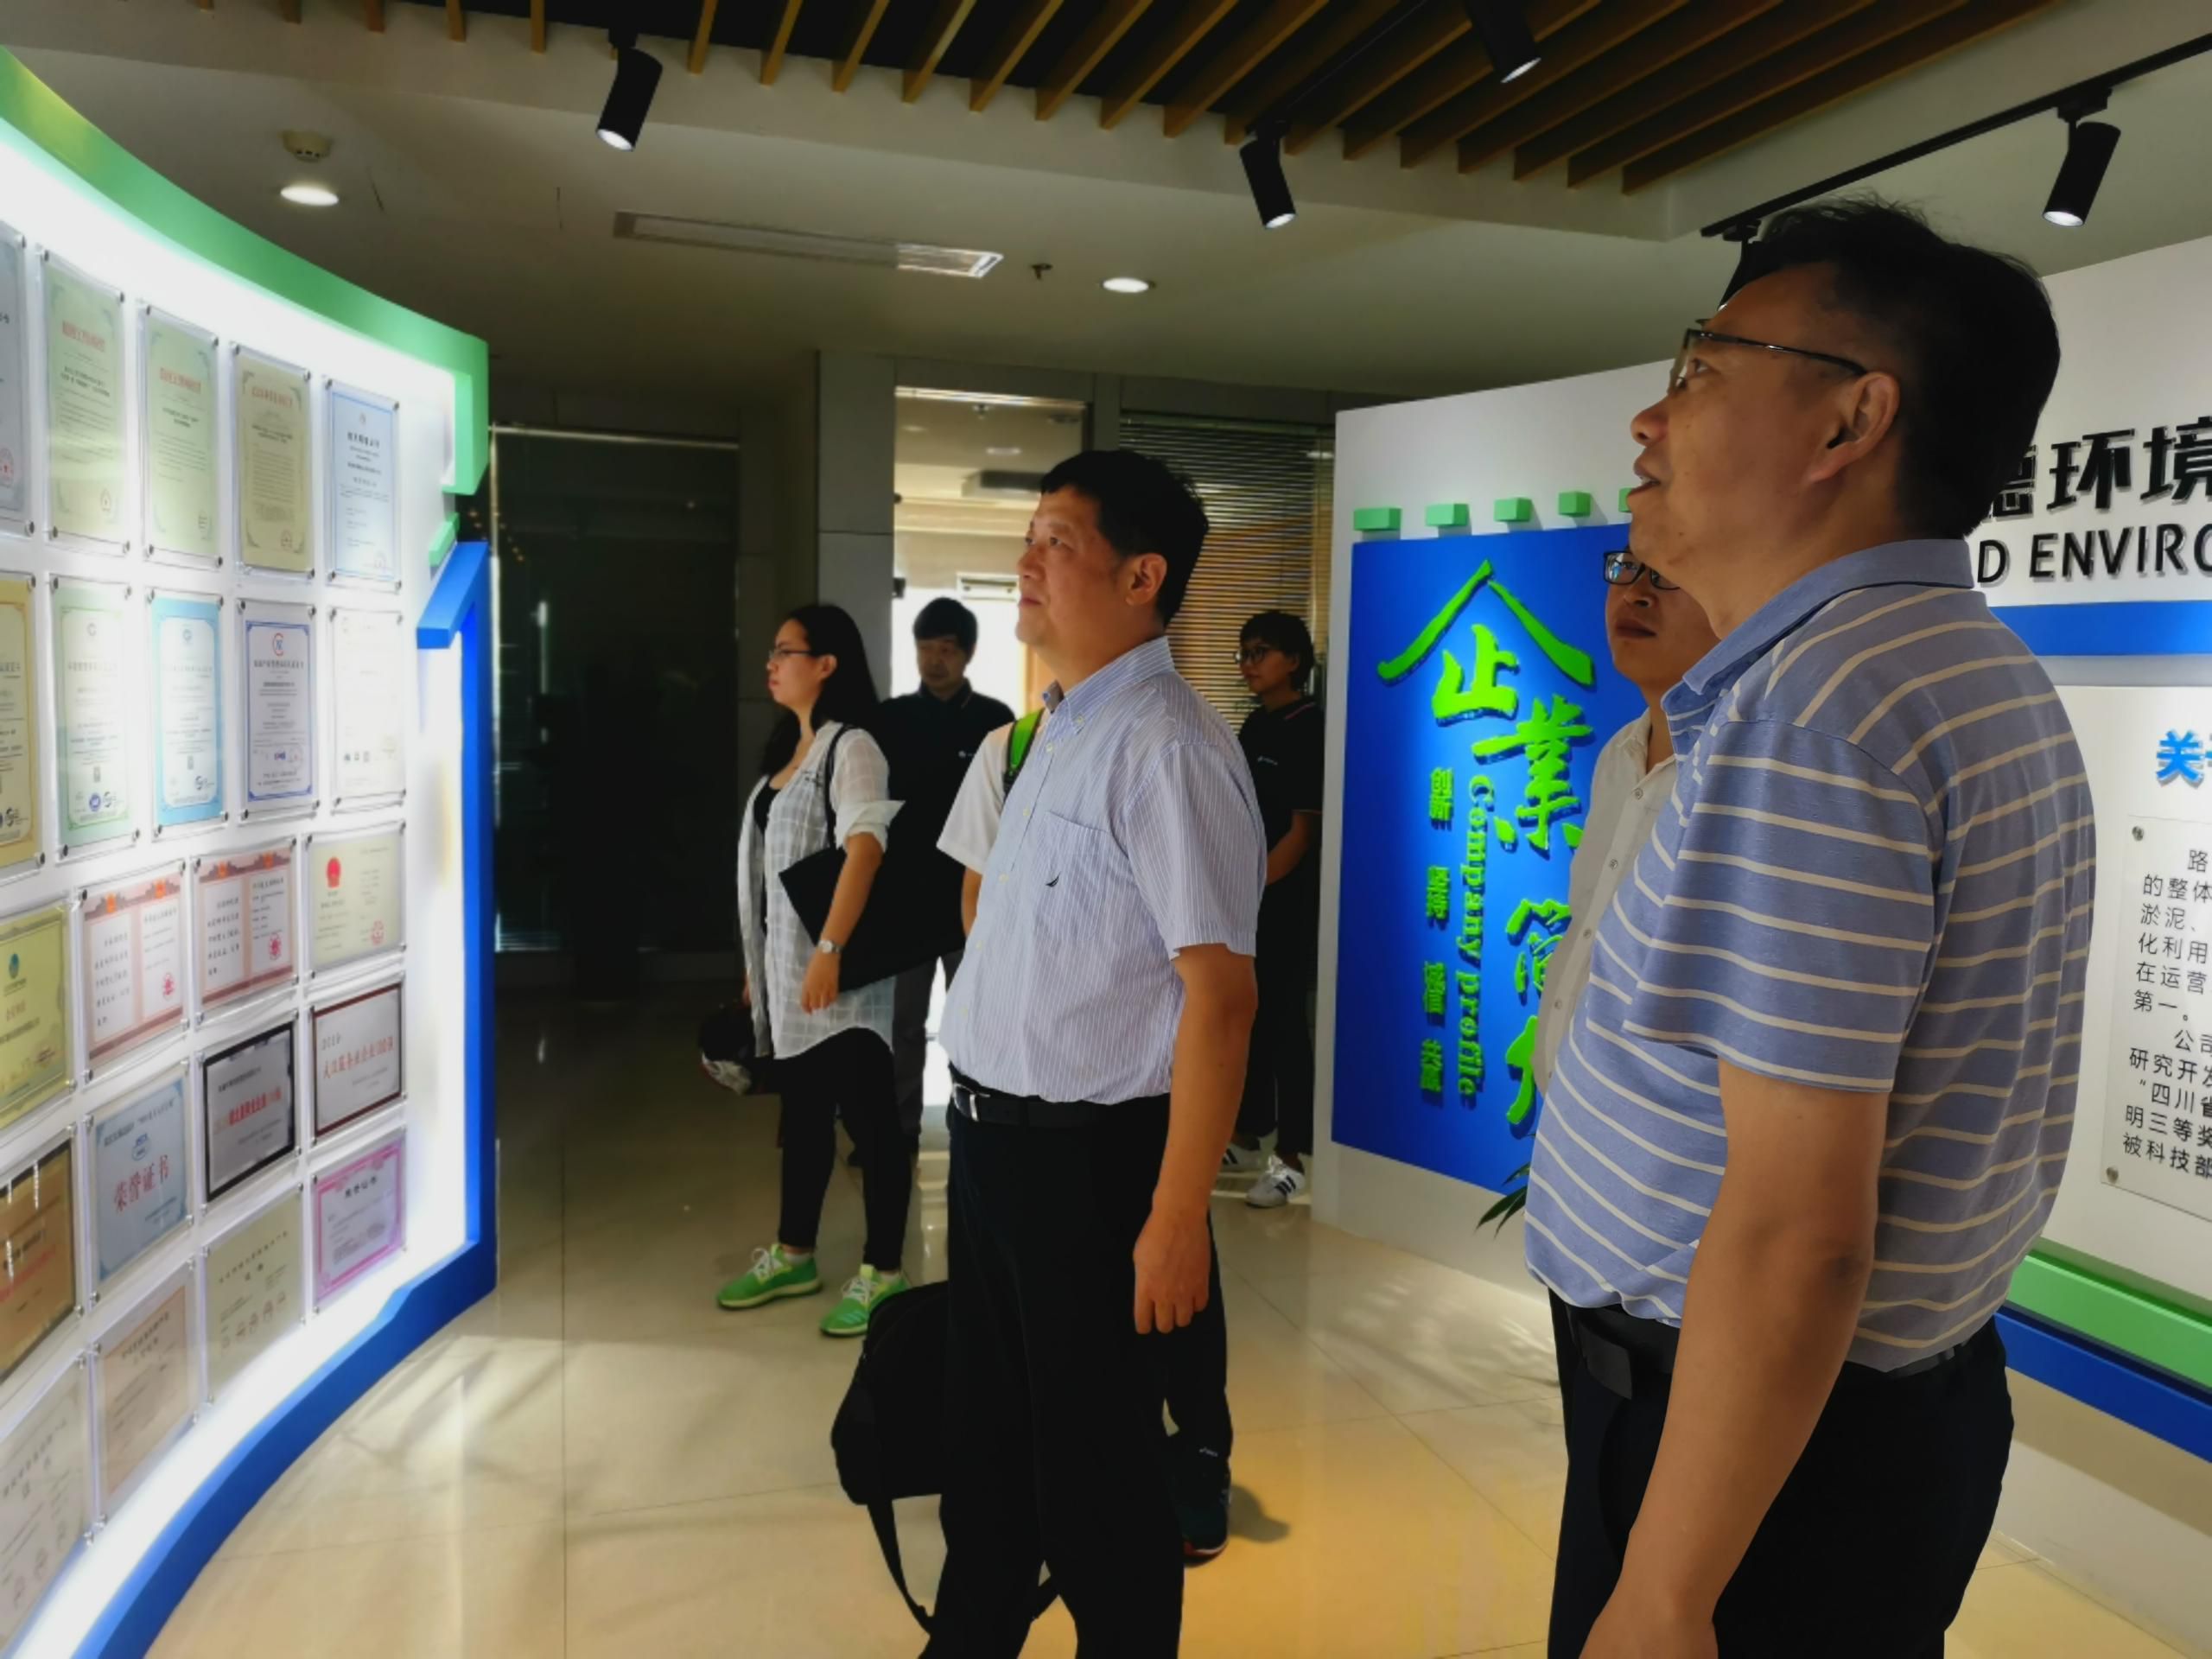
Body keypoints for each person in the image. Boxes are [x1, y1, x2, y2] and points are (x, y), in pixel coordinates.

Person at [1528, 199, 2091, 1659]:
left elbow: (1796, 1230)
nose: (1651, 419)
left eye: (1705, 370)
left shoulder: (1813, 718)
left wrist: (1668, 1593)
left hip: (1760, 1453)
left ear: (1852, 420)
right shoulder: (1956, 664)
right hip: (1851, 1423)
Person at [926, 450, 1264, 1656]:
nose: (1027, 563)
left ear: (1141, 575)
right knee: (988, 1459)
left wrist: (1176, 1221)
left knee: (1099, 1492)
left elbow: (1221, 1001)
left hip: (1090, 1170)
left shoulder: (1168, 748)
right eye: (1029, 539)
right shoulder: (1053, 730)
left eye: (1055, 543)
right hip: (993, 1152)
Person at [940, 693, 1239, 1565]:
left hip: (1123, 1112)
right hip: (1003, 1111)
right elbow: (977, 892)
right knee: (1047, 1343)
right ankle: (1051, 1498)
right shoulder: (1008, 750)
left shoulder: (1168, 748)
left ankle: (1197, 1449)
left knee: (1171, 1296)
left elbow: (1219, 989)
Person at [1527, 547, 1718, 1417]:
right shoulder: (1619, 754)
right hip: (1584, 1204)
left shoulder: (1740, 776)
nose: (1633, 594)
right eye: (1625, 569)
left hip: (1676, 1245)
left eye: (1666, 574)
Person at [719, 604, 914, 1339]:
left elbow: (866, 848)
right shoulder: (789, 751)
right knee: (802, 1120)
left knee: (871, 1125)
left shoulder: (851, 746)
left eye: (785, 651)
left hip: (839, 980)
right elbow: (770, 882)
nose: (771, 664)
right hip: (789, 979)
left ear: (827, 664)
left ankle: (884, 1272)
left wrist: (829, 950)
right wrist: (760, 969)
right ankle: (794, 1253)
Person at [872, 598, 1014, 1159]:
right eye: (926, 648)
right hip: (906, 896)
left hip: (971, 895)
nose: (935, 660)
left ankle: (974, 1124)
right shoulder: (890, 719)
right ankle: (898, 1127)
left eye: (947, 649)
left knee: (974, 1017)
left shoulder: (996, 721)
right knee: (903, 1022)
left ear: (968, 653)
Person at [1221, 611, 1326, 1208]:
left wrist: (1255, 887)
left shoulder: (1309, 726)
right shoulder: (1255, 723)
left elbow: (1301, 833)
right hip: (1244, 897)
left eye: (1260, 652)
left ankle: (1292, 1155)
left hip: (1285, 900)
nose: (1248, 664)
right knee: (1249, 1016)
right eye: (1243, 652)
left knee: (1286, 1025)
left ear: (1294, 660)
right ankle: (1246, 1131)